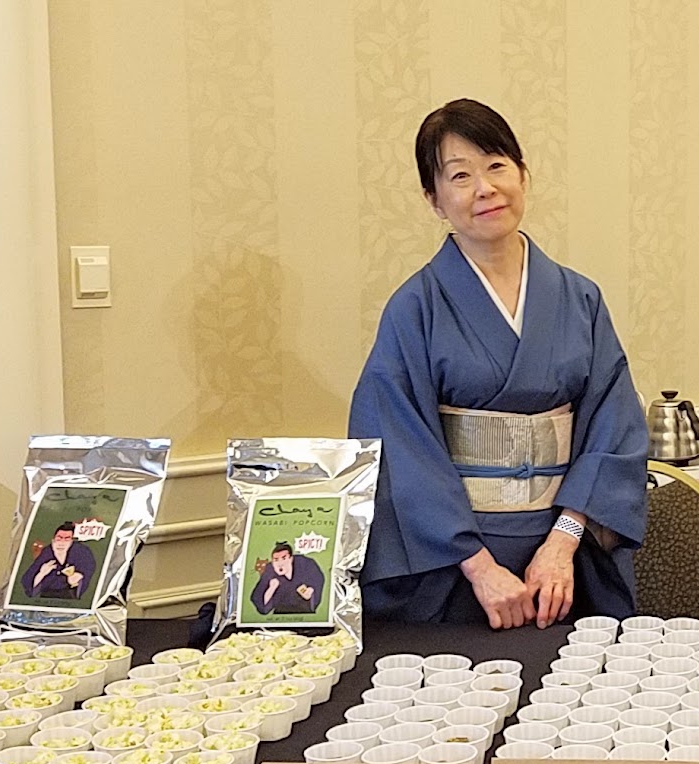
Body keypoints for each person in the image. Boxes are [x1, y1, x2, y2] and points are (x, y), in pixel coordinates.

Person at [350, 99, 647, 629]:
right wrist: (479, 567)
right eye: (459, 176)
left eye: (496, 165)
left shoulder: (579, 298)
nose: (484, 188)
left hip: (564, 564)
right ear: (434, 200)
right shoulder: (414, 307)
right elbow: (396, 447)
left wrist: (564, 542)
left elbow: (614, 427)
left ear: (522, 175)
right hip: (453, 566)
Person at [22, 522, 98, 600]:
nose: (61, 543)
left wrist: (77, 578)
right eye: (59, 538)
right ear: (53, 540)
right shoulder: (47, 553)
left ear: (72, 542)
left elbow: (87, 570)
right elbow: (27, 579)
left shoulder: (82, 552)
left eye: (66, 539)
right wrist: (41, 574)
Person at [249, 542, 326, 615]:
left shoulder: (305, 564)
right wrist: (271, 588)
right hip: (280, 616)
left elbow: (317, 580)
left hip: (305, 612)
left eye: (284, 558)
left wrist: (311, 591)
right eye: (276, 560)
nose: (280, 564)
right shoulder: (269, 571)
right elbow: (258, 597)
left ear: (291, 559)